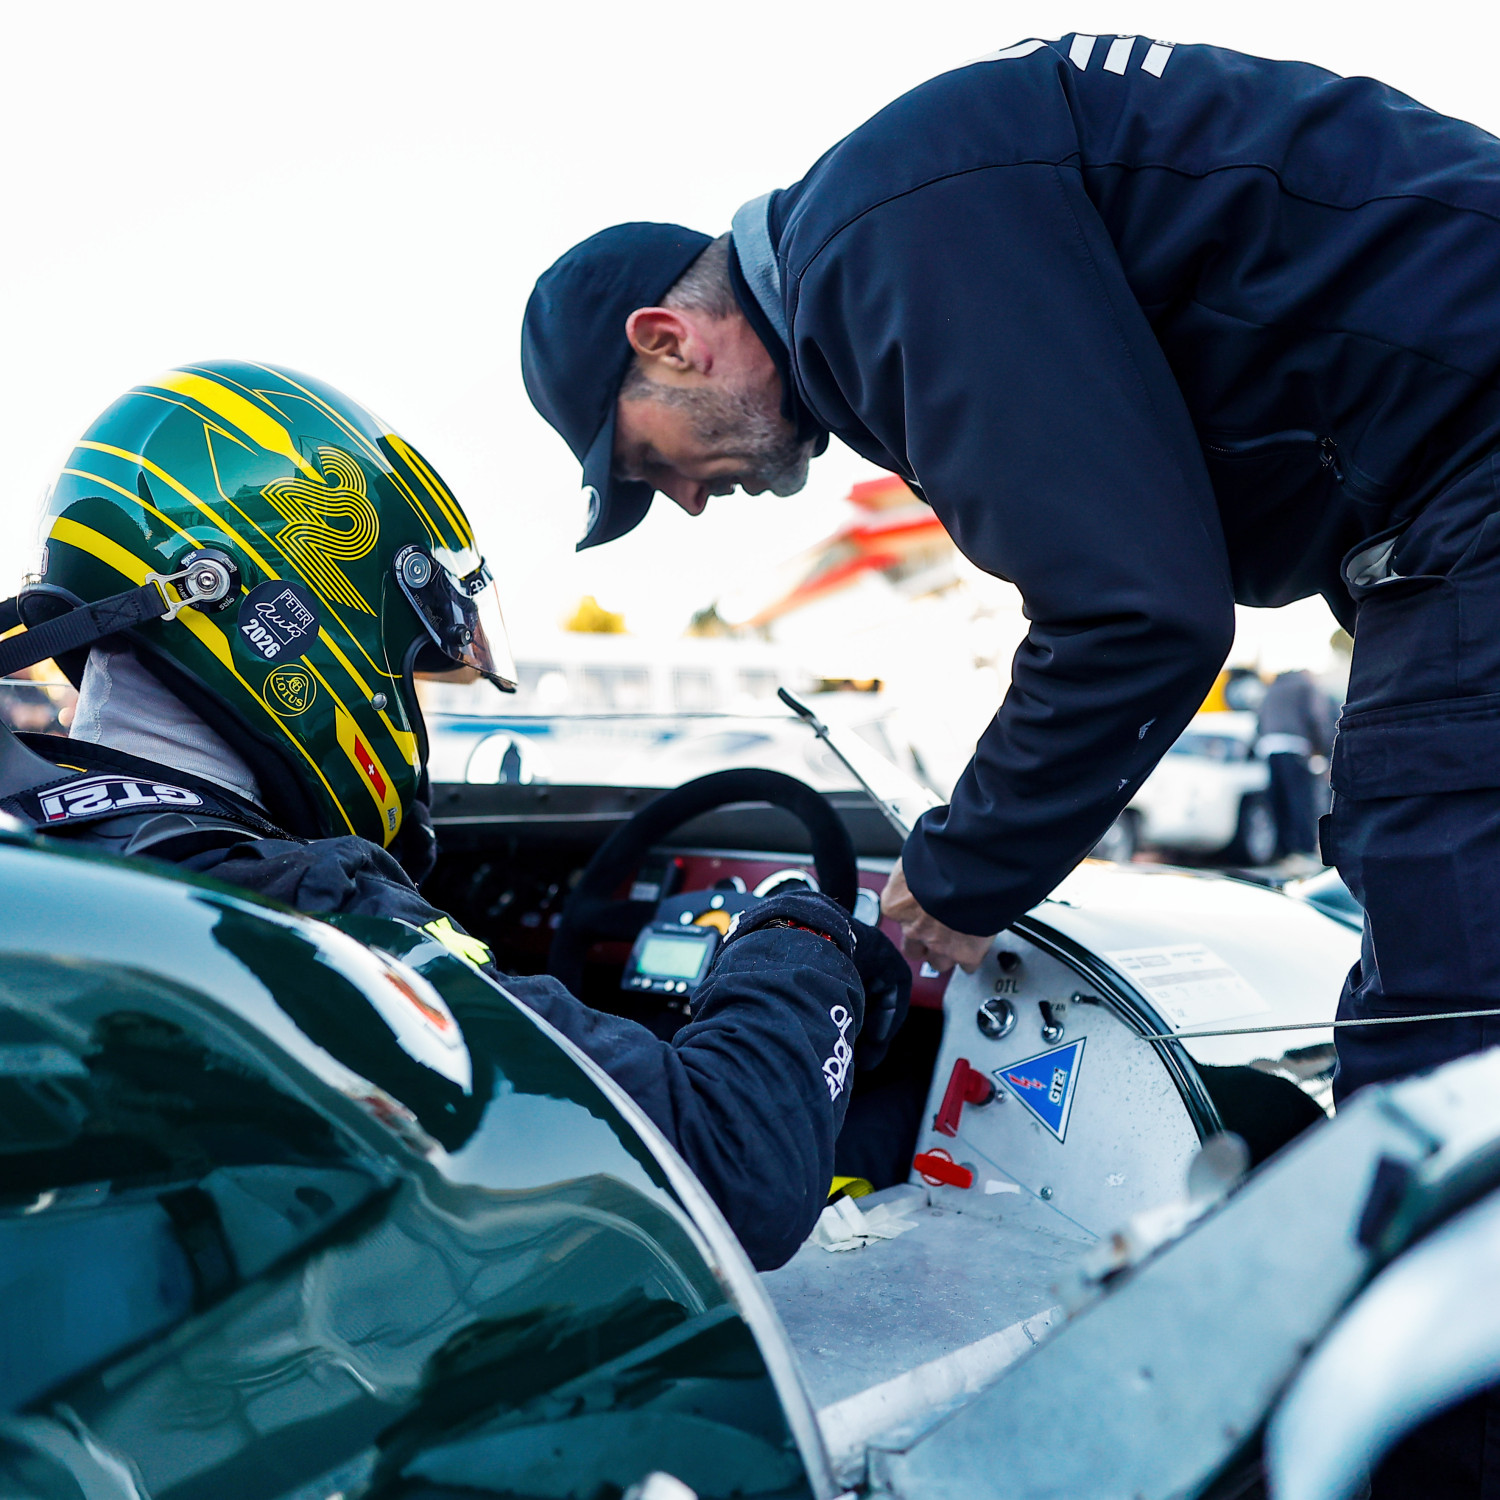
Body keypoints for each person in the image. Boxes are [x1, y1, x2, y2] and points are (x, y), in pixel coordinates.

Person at [521, 35, 1500, 1114]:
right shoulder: (897, 219)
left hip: (1471, 447)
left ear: (667, 340)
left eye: (650, 463)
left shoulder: (879, 252)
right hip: (1445, 462)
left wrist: (959, 875)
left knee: (1443, 1003)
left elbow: (1132, 615)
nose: (688, 500)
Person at [0, 359, 909, 1273]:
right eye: (408, 666)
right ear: (288, 619)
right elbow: (740, 1169)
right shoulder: (298, 913)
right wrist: (800, 940)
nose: (410, 707)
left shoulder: (48, 839)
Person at [1255, 668, 1335, 865]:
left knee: (1278, 801)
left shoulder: (1271, 688)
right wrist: (1324, 750)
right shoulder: (1305, 686)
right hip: (1296, 746)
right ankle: (1304, 851)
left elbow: (1259, 719)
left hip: (1269, 746)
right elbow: (1316, 716)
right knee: (1301, 800)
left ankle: (1283, 853)